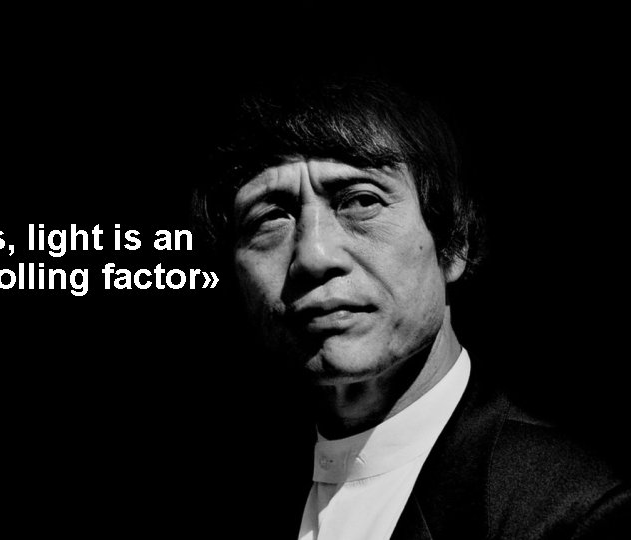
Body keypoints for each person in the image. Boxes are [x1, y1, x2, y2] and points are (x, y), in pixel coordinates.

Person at [191, 77, 629, 539]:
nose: (314, 255)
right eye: (269, 217)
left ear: (454, 245)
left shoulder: (575, 516)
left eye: (362, 201)